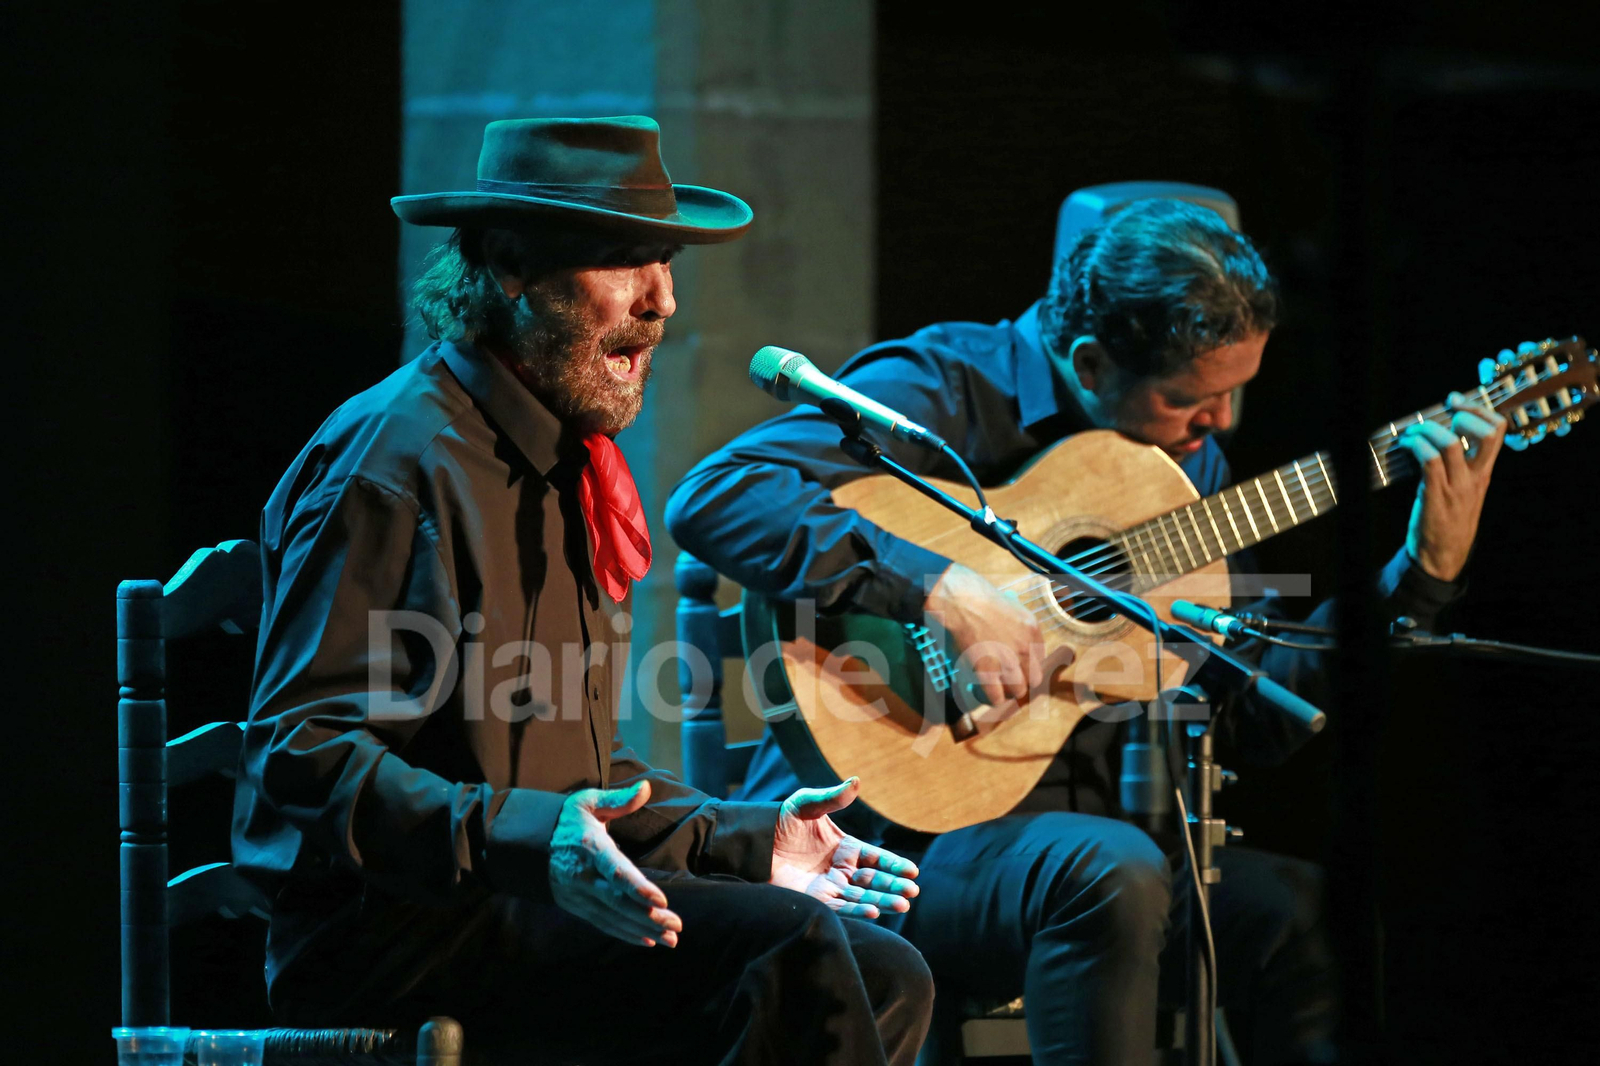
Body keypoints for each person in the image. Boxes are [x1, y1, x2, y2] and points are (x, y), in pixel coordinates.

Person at [666, 198, 1508, 1065]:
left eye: (1234, 393)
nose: (1220, 425)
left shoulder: (1180, 457)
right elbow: (719, 496)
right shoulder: (946, 384)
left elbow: (1256, 713)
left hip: (1091, 839)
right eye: (1191, 399)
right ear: (1090, 361)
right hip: (881, 837)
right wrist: (942, 588)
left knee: (1300, 914)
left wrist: (1421, 576)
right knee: (1109, 871)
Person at [231, 116, 934, 1066]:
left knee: (887, 968)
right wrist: (533, 839)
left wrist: (748, 839)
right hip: (399, 931)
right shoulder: (396, 463)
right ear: (513, 269)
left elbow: (571, 778)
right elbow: (301, 749)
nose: (664, 302)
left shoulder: (560, 461)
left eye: (667, 263)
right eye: (624, 262)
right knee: (787, 952)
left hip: (517, 903)